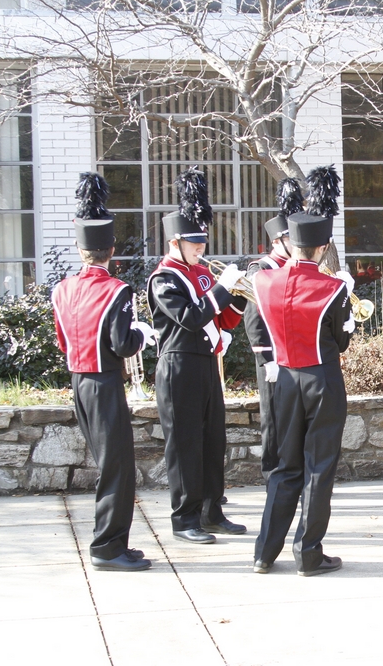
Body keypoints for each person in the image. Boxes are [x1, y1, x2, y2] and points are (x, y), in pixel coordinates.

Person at [52, 172, 156, 572]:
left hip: (79, 380)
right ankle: (107, 546)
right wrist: (142, 334)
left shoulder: (61, 289)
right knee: (117, 468)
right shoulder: (117, 290)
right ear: (111, 249)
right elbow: (123, 344)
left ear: (82, 252)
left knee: (107, 463)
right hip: (105, 381)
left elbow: (63, 340)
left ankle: (112, 542)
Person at [147, 167, 247, 544]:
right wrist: (221, 288)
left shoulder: (204, 274)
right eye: (193, 244)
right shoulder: (164, 279)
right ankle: (183, 518)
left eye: (202, 243)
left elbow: (224, 319)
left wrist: (236, 293)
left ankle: (210, 512)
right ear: (175, 242)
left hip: (206, 364)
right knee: (185, 444)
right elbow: (191, 317)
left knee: (212, 440)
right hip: (177, 364)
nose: (200, 249)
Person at [251, 210, 354, 576]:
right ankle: (308, 553)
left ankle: (265, 551)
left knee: (284, 467)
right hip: (322, 379)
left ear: (291, 243)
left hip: (285, 382)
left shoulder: (263, 281)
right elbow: (342, 342)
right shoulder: (334, 288)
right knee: (318, 467)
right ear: (323, 247)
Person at [243, 178, 298, 477]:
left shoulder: (297, 266)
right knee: (274, 417)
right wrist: (266, 357)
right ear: (277, 240)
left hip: (297, 351)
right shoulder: (261, 268)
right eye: (290, 238)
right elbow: (254, 317)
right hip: (273, 355)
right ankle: (272, 472)